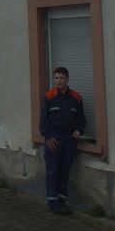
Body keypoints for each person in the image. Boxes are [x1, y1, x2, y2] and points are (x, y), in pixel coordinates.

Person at [38, 66, 86, 215]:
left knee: (64, 172)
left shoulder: (76, 97)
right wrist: (48, 137)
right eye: (56, 78)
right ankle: (53, 202)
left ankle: (62, 202)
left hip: (69, 140)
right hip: (54, 139)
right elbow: (43, 120)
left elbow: (82, 119)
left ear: (67, 79)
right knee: (52, 171)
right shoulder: (49, 96)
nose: (59, 81)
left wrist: (79, 130)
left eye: (62, 78)